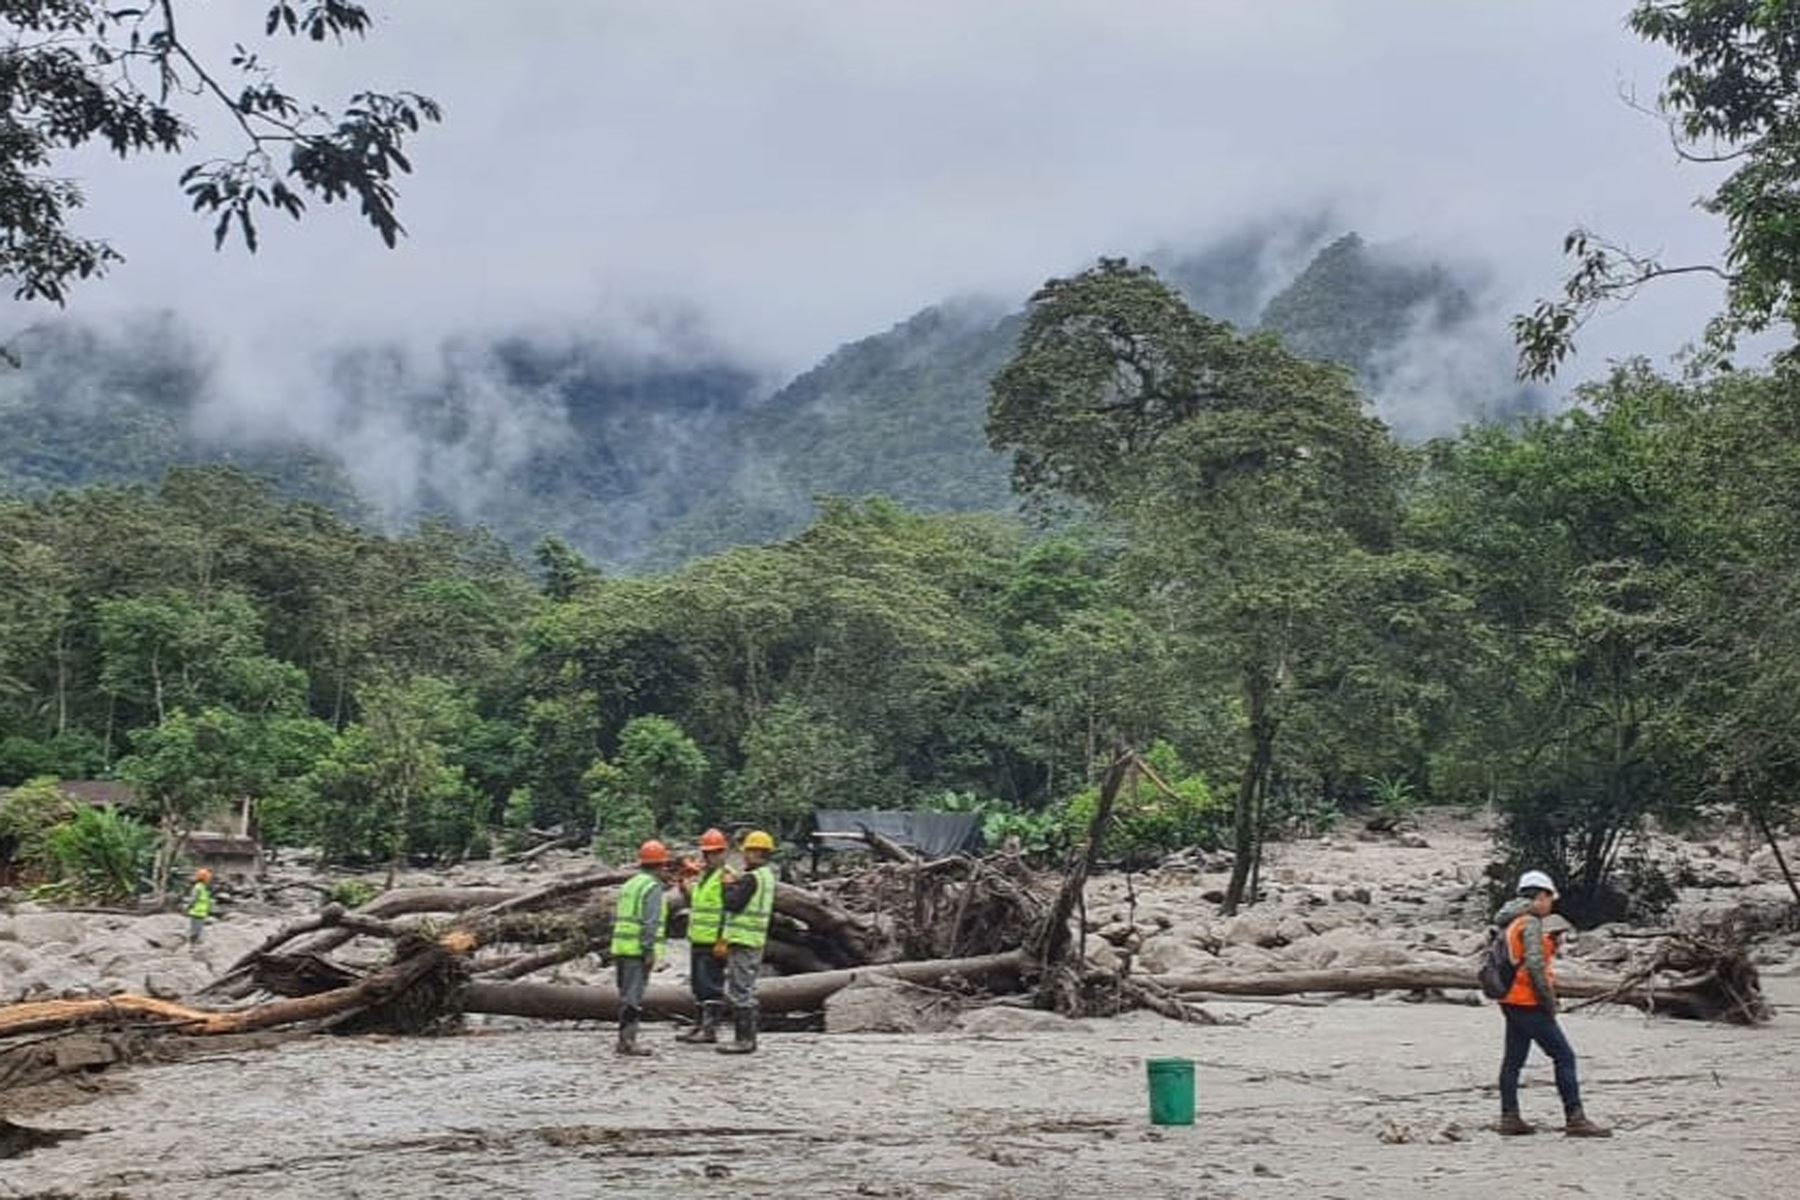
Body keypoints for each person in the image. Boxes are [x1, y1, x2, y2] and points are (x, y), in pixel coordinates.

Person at [1494, 870, 1611, 1137]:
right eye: (1549, 898)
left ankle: (1509, 1117)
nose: (1551, 904)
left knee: (1513, 1061)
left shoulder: (1509, 921)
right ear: (1540, 896)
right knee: (1564, 1056)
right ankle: (1575, 1118)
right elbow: (1534, 965)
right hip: (1528, 1001)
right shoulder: (1531, 923)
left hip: (1509, 999)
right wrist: (1549, 1001)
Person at [717, 829, 777, 1055]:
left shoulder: (752, 878)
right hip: (755, 939)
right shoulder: (766, 876)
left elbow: (733, 904)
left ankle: (744, 1040)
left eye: (747, 852)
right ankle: (747, 1037)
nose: (743, 856)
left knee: (741, 989)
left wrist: (726, 886)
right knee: (747, 987)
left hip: (744, 939)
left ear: (756, 852)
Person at [610, 839, 672, 1057]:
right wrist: (649, 951)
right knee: (633, 997)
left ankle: (623, 1040)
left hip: (621, 947)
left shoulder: (630, 885)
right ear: (659, 865)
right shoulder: (652, 888)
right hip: (637, 950)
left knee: (625, 994)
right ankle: (628, 1041)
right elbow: (650, 922)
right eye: (665, 865)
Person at [675, 827, 732, 1045]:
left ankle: (710, 1029)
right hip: (698, 938)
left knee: (711, 986)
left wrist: (724, 939)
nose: (710, 856)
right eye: (707, 853)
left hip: (713, 941)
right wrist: (684, 887)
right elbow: (697, 904)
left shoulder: (725, 877)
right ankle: (698, 1025)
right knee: (698, 985)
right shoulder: (704, 877)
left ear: (723, 852)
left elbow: (729, 911)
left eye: (715, 852)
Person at [184, 868, 214, 947]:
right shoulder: (198, 887)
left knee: (198, 931)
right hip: (196, 913)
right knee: (195, 931)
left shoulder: (203, 888)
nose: (209, 879)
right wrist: (187, 908)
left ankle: (194, 945)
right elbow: (193, 899)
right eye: (208, 878)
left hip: (201, 913)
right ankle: (191, 946)